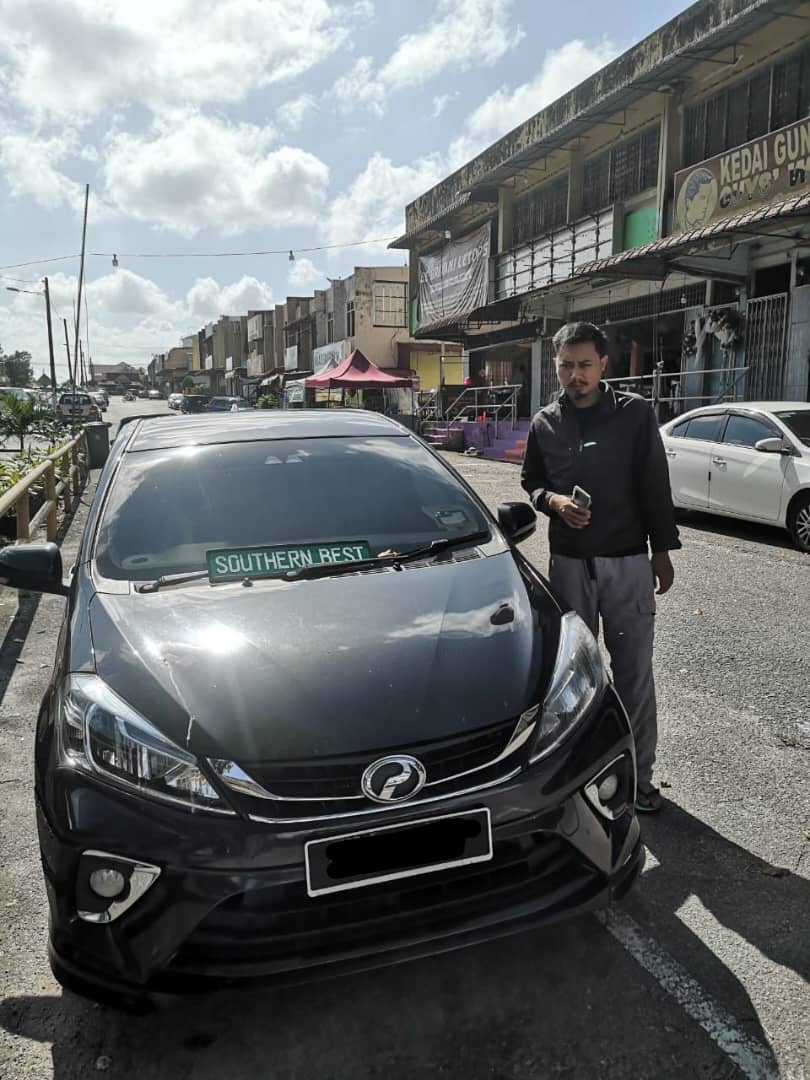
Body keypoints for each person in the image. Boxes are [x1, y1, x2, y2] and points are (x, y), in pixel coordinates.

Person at [520, 321, 680, 813]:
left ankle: (641, 778)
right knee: (576, 677)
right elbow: (531, 482)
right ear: (555, 366)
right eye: (566, 365)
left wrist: (661, 550)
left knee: (633, 674)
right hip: (569, 566)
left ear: (603, 364)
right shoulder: (544, 423)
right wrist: (553, 501)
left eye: (585, 365)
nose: (576, 375)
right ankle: (583, 778)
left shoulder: (635, 415)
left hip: (627, 563)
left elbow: (654, 484)